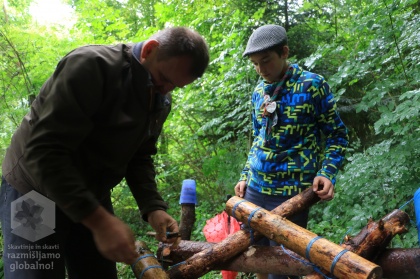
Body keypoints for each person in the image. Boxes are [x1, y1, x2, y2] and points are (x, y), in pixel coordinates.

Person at [1, 27, 209, 279]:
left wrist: (153, 207)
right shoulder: (89, 67)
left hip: (89, 195)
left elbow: (139, 155)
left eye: (174, 86)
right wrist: (101, 222)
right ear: (149, 50)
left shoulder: (158, 97)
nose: (165, 90)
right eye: (162, 79)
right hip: (34, 194)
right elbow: (43, 152)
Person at [234, 24, 349, 279]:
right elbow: (258, 138)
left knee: (285, 267)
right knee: (255, 258)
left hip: (291, 194)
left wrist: (328, 172)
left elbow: (337, 134)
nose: (261, 70)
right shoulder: (258, 92)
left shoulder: (313, 85)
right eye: (254, 63)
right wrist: (245, 175)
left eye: (266, 60)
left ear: (284, 52)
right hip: (255, 189)